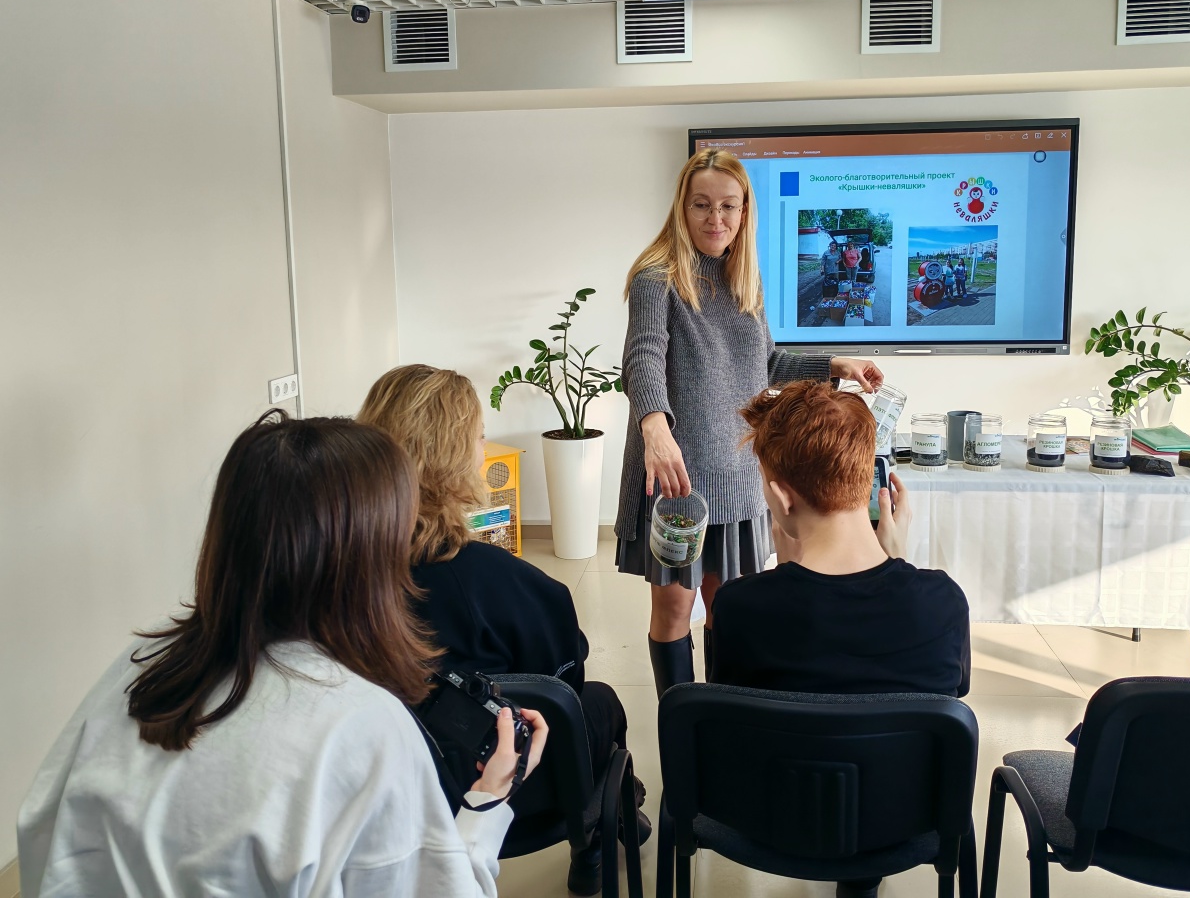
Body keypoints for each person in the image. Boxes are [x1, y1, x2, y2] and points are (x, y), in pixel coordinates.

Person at [17, 412, 548, 897]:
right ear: (371, 556)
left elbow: (46, 837)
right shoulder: (361, 724)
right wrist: (486, 804)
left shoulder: (143, 662)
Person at [358, 364, 642, 896]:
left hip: (385, 794)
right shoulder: (498, 580)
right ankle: (591, 843)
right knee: (601, 703)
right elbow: (564, 684)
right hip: (505, 785)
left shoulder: (339, 578)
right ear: (455, 455)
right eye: (479, 435)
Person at [615, 148, 884, 696]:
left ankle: (723, 720)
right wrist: (655, 427)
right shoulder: (656, 276)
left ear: (744, 213)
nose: (716, 219)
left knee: (729, 611)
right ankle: (679, 727)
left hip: (739, 478)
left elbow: (766, 366)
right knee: (674, 609)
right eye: (702, 205)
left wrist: (835, 365)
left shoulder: (746, 281)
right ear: (682, 208)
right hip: (679, 481)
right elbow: (641, 358)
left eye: (728, 207)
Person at [710, 380, 971, 698]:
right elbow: (943, 701)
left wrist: (783, 578)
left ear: (781, 497)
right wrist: (897, 565)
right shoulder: (943, 602)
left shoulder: (739, 607)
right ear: (866, 476)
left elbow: (729, 715)